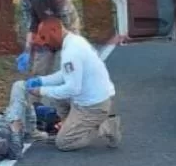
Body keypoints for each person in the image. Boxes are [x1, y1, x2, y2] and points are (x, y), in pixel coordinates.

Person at [25, 17, 121, 152]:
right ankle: (69, 125)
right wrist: (42, 81)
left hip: (93, 106)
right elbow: (65, 74)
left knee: (63, 142)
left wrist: (41, 91)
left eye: (45, 38)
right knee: (57, 96)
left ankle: (106, 127)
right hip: (90, 97)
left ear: (54, 31)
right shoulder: (74, 41)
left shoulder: (71, 52)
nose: (45, 43)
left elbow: (72, 88)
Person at [12, 0, 79, 77]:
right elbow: (32, 25)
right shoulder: (26, 0)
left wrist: (66, 44)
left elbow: (67, 19)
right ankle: (38, 85)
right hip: (45, 32)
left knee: (64, 71)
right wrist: (27, 50)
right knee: (39, 70)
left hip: (66, 31)